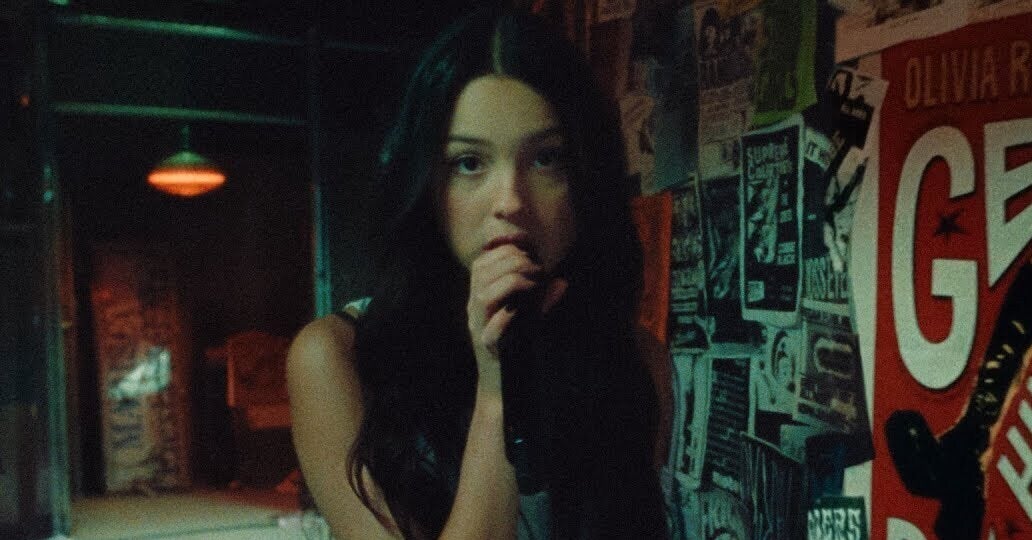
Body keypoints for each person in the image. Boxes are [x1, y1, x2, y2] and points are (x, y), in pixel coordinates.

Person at [287, 7, 667, 539]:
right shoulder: (335, 358)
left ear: (586, 176)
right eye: (469, 163)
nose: (510, 201)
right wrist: (498, 391)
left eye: (547, 159)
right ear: (427, 184)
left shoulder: (636, 361)